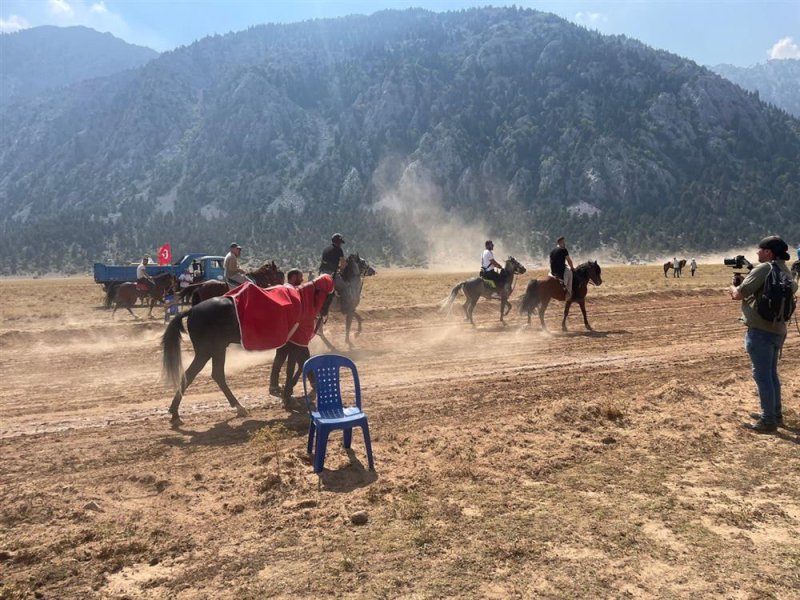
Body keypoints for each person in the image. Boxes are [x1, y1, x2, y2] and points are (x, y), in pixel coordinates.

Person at [729, 235, 797, 433]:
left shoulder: (764, 268)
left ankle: (768, 420)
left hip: (760, 330)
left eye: (760, 249)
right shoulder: (786, 270)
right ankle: (775, 414)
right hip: (778, 329)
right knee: (771, 375)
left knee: (762, 376)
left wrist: (732, 286)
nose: (757, 252)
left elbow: (738, 294)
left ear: (768, 252)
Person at [269, 268, 305, 397]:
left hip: (285, 331)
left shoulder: (285, 289)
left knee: (280, 359)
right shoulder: (290, 290)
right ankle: (288, 388)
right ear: (294, 277)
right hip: (289, 333)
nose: (302, 280)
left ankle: (274, 385)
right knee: (300, 358)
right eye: (300, 277)